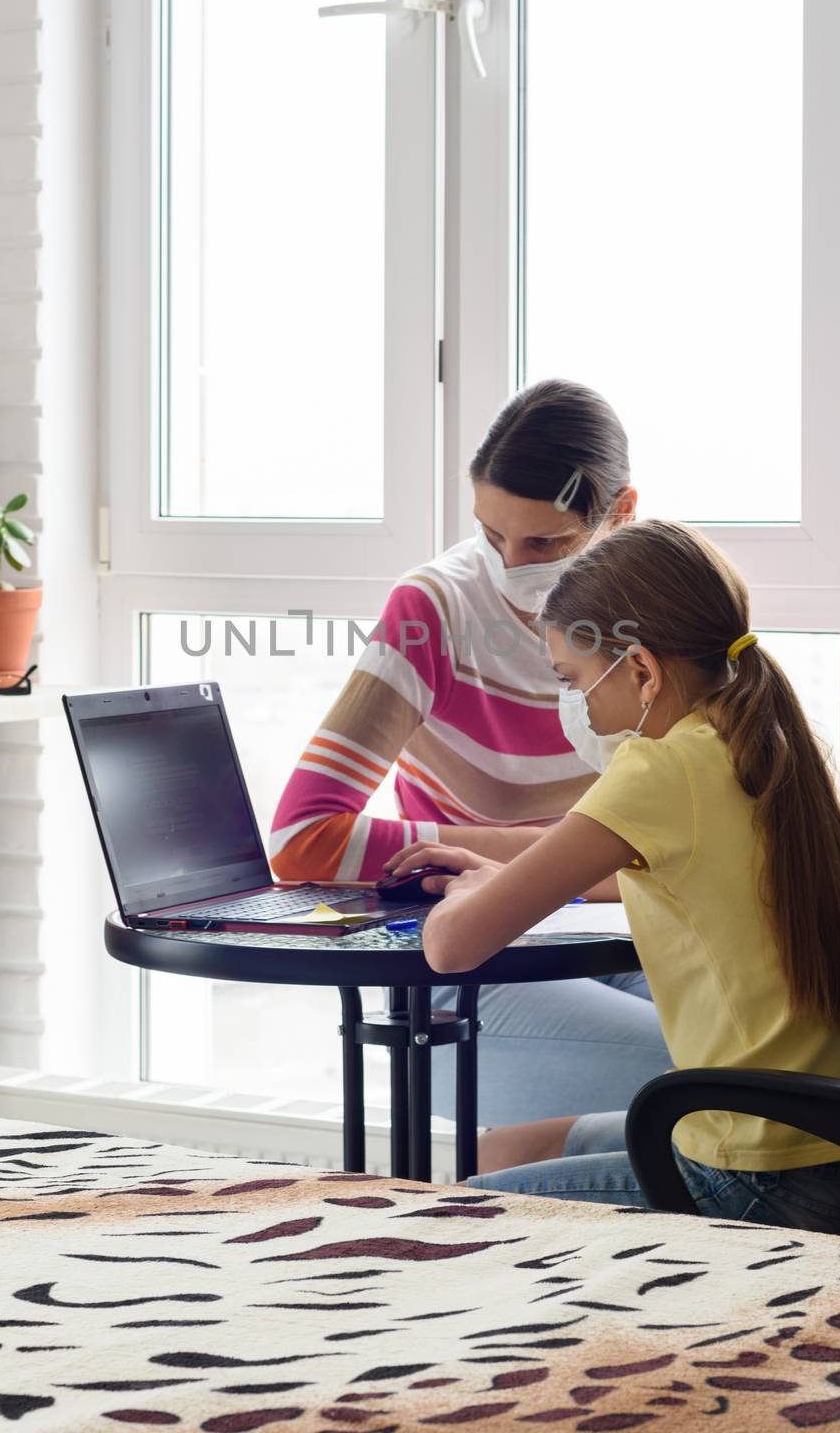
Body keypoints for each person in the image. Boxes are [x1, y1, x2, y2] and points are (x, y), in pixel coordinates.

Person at [386, 519, 840, 1235]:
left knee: (460, 1215)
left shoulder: (658, 767)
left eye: (571, 679)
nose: (577, 705)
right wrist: (498, 872)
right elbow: (668, 871)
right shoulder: (762, 737)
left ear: (638, 668)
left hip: (750, 1177)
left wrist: (475, 894)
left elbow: (451, 948)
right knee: (507, 1146)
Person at [269, 379, 672, 1122]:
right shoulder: (435, 610)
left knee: (774, 1067)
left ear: (620, 513)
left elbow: (683, 843)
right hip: (483, 958)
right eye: (492, 535)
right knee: (712, 1086)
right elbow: (303, 839)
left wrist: (569, 862)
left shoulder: (658, 608)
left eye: (544, 542)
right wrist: (559, 855)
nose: (510, 564)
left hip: (622, 935)